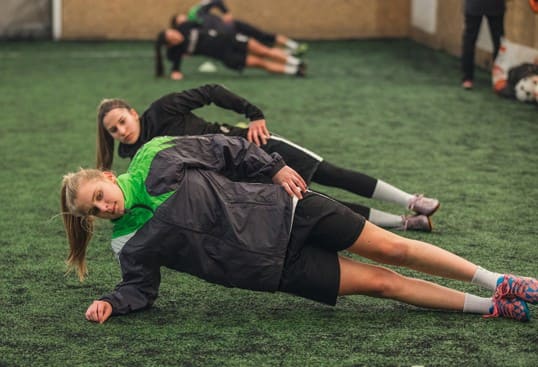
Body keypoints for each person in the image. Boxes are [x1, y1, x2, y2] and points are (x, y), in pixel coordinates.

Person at [60, 135, 537, 324]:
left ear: (105, 177)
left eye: (100, 196)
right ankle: (491, 306)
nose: (106, 206)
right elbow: (140, 286)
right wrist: (114, 301)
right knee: (381, 283)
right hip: (271, 267)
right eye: (95, 212)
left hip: (286, 211)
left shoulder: (154, 156)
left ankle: (498, 280)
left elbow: (226, 149)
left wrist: (273, 168)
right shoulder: (128, 242)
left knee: (394, 248)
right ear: (93, 221)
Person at [95, 84, 440, 232]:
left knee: (329, 173)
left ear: (133, 113)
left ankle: (412, 200)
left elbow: (211, 92)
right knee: (317, 201)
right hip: (240, 180)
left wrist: (254, 114)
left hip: (253, 143)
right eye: (113, 130)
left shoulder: (163, 108)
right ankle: (405, 223)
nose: (121, 130)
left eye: (122, 121)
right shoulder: (138, 159)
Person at [155, 16, 306, 80]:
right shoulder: (176, 51)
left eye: (173, 32)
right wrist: (175, 74)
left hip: (230, 39)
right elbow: (176, 68)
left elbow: (206, 22)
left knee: (264, 50)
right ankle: (295, 71)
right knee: (261, 63)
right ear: (170, 44)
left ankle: (296, 62)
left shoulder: (185, 26)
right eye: (171, 38)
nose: (175, 35)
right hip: (225, 56)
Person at [172, 0, 307, 56]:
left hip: (232, 25)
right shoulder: (189, 32)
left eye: (181, 18)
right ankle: (287, 54)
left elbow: (215, 1)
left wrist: (226, 13)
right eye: (179, 23)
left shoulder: (194, 12)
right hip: (227, 37)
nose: (182, 21)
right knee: (258, 48)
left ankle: (294, 45)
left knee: (263, 35)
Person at [461, 0, 505, 89]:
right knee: (498, 41)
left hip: (478, 5)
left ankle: (467, 78)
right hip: (493, 5)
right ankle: (499, 79)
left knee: (470, 40)